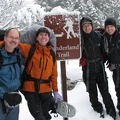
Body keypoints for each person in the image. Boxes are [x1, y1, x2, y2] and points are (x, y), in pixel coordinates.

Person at [19, 27, 63, 120]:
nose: (43, 37)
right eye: (41, 35)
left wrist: (55, 91)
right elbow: (12, 44)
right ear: (37, 38)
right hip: (31, 89)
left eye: (46, 35)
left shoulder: (51, 54)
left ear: (48, 38)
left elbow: (54, 74)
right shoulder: (30, 49)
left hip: (46, 90)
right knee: (39, 116)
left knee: (45, 115)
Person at [79, 17, 116, 120]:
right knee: (92, 93)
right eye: (84, 26)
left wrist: (106, 60)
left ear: (92, 25)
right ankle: (97, 111)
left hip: (100, 67)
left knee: (105, 92)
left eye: (89, 25)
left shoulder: (98, 36)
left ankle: (111, 112)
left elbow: (105, 48)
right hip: (88, 69)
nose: (87, 28)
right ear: (81, 28)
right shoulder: (79, 39)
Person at [0, 28, 22, 120]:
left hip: (14, 100)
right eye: (11, 37)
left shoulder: (18, 56)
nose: (14, 40)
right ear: (5, 38)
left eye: (16, 38)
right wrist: (4, 95)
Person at [103, 17, 120, 115]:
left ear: (115, 27)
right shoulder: (105, 37)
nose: (109, 29)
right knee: (118, 88)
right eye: (107, 27)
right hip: (115, 68)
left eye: (111, 26)